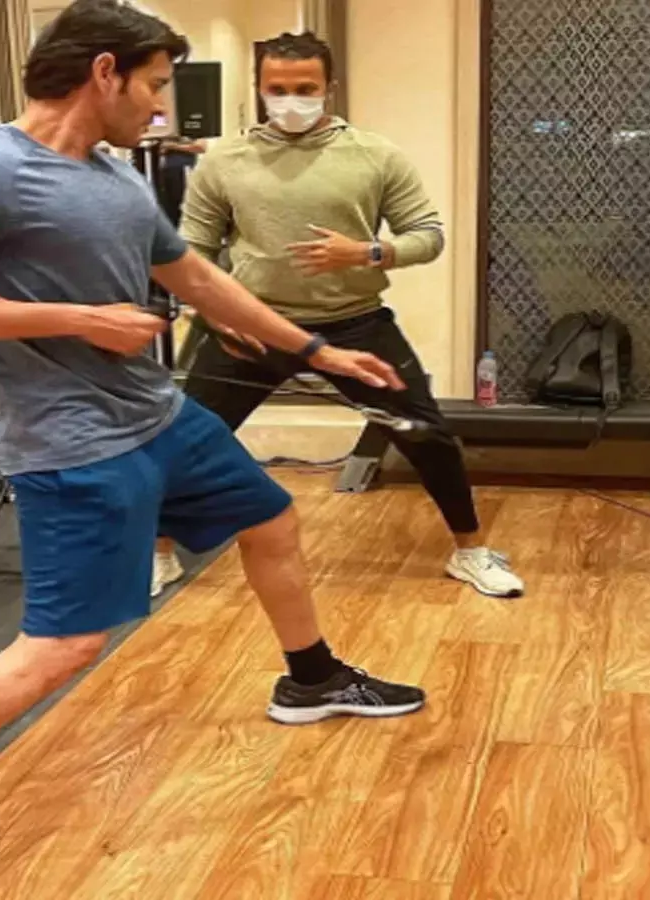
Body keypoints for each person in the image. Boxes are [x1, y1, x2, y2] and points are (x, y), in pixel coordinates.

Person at [0, 3, 426, 895]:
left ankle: (310, 679)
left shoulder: (113, 176)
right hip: (71, 443)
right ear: (104, 72)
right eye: (154, 85)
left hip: (159, 417)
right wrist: (75, 319)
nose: (159, 107)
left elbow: (196, 277)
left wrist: (314, 351)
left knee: (271, 518)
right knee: (63, 646)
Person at [150, 31, 525, 601]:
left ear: (330, 88)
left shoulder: (375, 155)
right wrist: (210, 309)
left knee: (427, 435)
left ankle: (470, 552)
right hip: (255, 326)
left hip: (355, 323)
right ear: (258, 88)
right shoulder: (223, 159)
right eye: (278, 89)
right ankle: (159, 554)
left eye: (306, 88)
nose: (291, 100)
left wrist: (367, 252)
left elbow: (428, 235)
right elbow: (193, 248)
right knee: (185, 438)